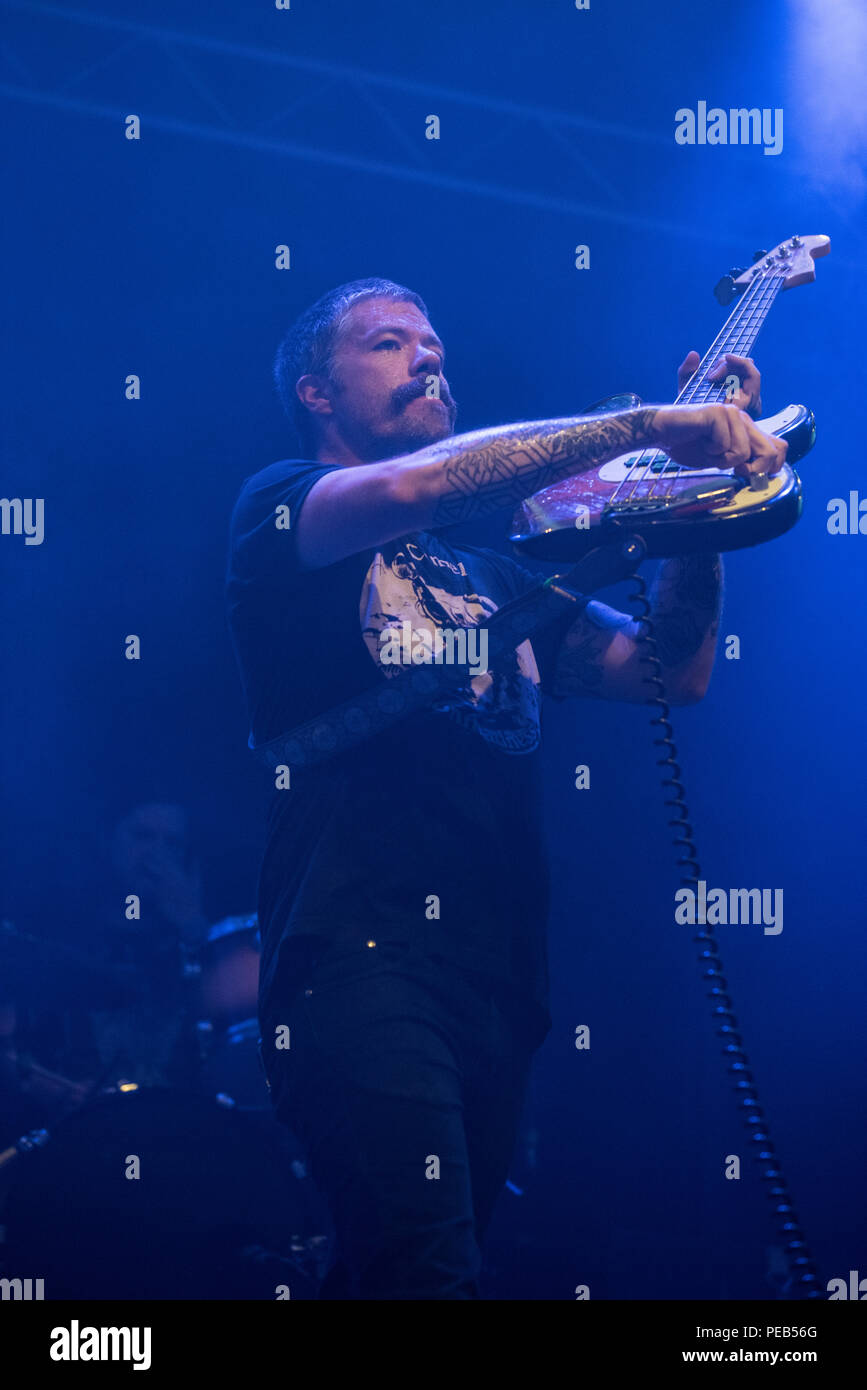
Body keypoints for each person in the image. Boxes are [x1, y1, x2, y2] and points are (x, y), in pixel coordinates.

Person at [225, 277, 781, 1299]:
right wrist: (645, 422)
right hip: (359, 954)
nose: (427, 359)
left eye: (434, 343)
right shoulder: (280, 504)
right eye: (389, 344)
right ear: (316, 391)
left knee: (414, 1271)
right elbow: (416, 488)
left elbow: (674, 667)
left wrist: (700, 511)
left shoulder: (498, 574)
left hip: (498, 970)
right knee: (428, 1276)